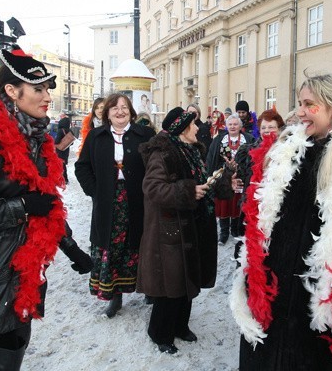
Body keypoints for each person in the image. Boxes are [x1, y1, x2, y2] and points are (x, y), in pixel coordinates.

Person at [230, 73, 332, 370]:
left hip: (320, 302)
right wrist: (250, 269)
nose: (301, 111)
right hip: (271, 291)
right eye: (299, 104)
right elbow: (258, 216)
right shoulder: (284, 151)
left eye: (310, 104)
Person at [0, 47, 93, 370]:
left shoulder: (35, 139)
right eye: (38, 89)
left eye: (47, 89)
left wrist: (72, 249)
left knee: (13, 352)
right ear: (12, 91)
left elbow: (45, 206)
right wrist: (21, 206)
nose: (47, 97)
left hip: (21, 276)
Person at [137, 107, 218, 354]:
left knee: (187, 281)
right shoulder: (163, 154)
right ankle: (160, 333)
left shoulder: (191, 151)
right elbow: (152, 188)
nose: (198, 128)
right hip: (169, 229)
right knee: (170, 285)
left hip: (192, 226)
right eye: (193, 125)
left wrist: (219, 182)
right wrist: (187, 191)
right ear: (183, 129)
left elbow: (198, 182)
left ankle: (180, 326)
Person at [75, 93, 155, 318]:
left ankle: (149, 289)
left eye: (124, 107)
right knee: (113, 246)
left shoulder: (145, 135)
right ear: (107, 113)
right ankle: (115, 296)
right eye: (114, 108)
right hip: (108, 202)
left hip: (139, 200)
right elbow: (82, 167)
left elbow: (157, 165)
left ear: (131, 111)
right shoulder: (96, 136)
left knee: (141, 243)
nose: (120, 111)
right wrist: (95, 192)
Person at [232, 108, 285, 259]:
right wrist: (233, 179)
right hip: (252, 209)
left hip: (276, 210)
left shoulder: (286, 153)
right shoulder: (248, 151)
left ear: (279, 129)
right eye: (263, 127)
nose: (267, 131)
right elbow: (239, 175)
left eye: (271, 127)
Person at [207, 114, 253, 243]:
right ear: (226, 126)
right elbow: (211, 158)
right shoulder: (219, 140)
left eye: (235, 124)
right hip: (223, 178)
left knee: (238, 204)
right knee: (224, 204)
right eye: (230, 124)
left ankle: (235, 229)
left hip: (240, 177)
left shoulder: (248, 139)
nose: (232, 126)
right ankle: (224, 232)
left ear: (240, 126)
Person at [55, 113, 73, 184]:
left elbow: (57, 141)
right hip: (66, 150)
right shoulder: (69, 130)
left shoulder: (60, 130)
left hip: (59, 150)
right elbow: (72, 142)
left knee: (60, 165)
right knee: (63, 165)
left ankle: (63, 179)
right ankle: (64, 179)